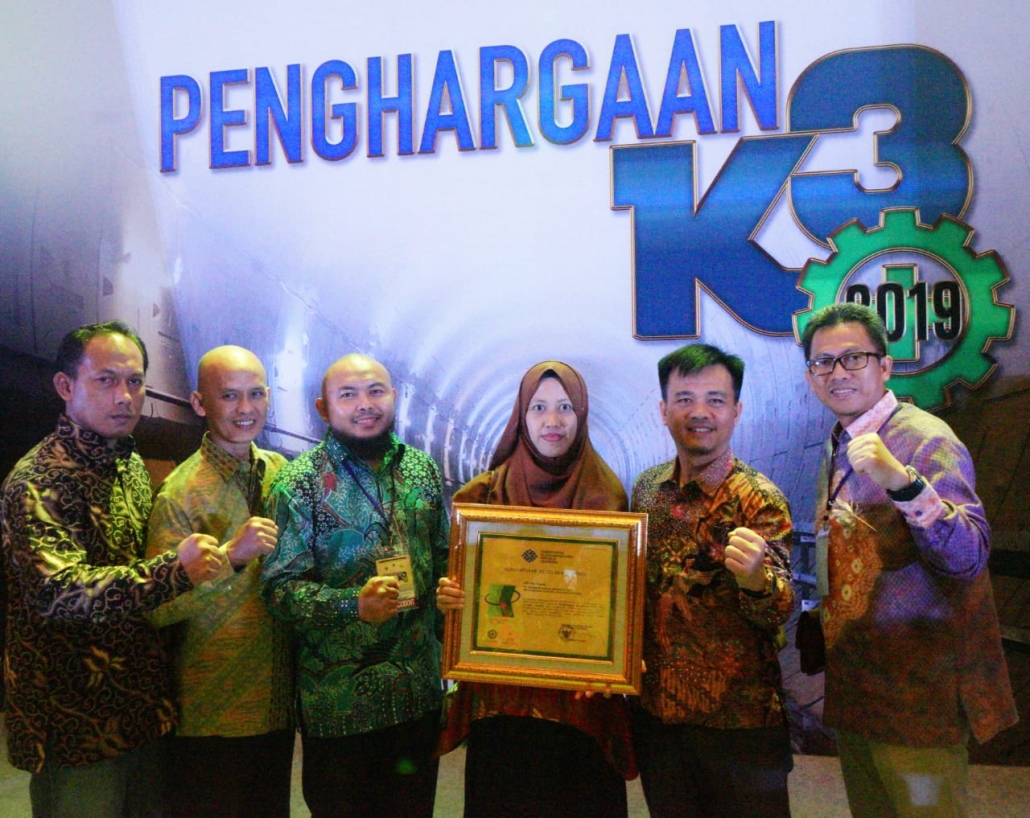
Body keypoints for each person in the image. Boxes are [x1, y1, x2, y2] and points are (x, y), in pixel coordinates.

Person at [0, 320, 226, 818]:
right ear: (65, 386)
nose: (125, 396)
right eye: (105, 380)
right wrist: (175, 571)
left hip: (140, 709)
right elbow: (59, 593)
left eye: (135, 381)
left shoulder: (129, 465)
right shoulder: (38, 480)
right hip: (74, 722)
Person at [800, 302, 1017, 817]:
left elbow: (969, 555)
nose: (838, 372)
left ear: (885, 366)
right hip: (858, 690)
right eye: (823, 362)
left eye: (853, 358)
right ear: (810, 376)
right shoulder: (840, 441)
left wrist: (904, 484)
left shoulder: (924, 439)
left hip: (919, 698)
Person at [436, 361, 636, 818]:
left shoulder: (607, 497)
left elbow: (616, 599)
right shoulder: (483, 497)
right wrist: (452, 599)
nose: (552, 420)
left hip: (580, 706)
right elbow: (466, 592)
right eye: (539, 407)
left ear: (581, 414)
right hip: (502, 702)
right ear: (520, 417)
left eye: (565, 407)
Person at [261, 353, 448, 818]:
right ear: (323, 408)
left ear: (394, 397)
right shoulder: (300, 483)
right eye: (348, 394)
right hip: (340, 708)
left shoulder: (422, 470)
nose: (365, 404)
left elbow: (444, 557)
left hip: (418, 699)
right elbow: (278, 589)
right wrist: (352, 606)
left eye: (375, 391)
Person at [630, 343, 794, 818]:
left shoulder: (759, 499)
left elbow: (781, 609)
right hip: (661, 717)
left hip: (740, 724)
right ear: (663, 410)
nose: (699, 412)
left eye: (715, 400)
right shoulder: (648, 490)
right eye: (684, 399)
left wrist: (757, 580)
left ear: (736, 411)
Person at [145, 345, 293, 817]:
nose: (246, 408)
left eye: (256, 394)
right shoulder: (180, 492)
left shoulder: (281, 474)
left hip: (275, 706)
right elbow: (158, 607)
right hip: (213, 711)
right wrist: (230, 558)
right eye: (229, 396)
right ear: (199, 402)